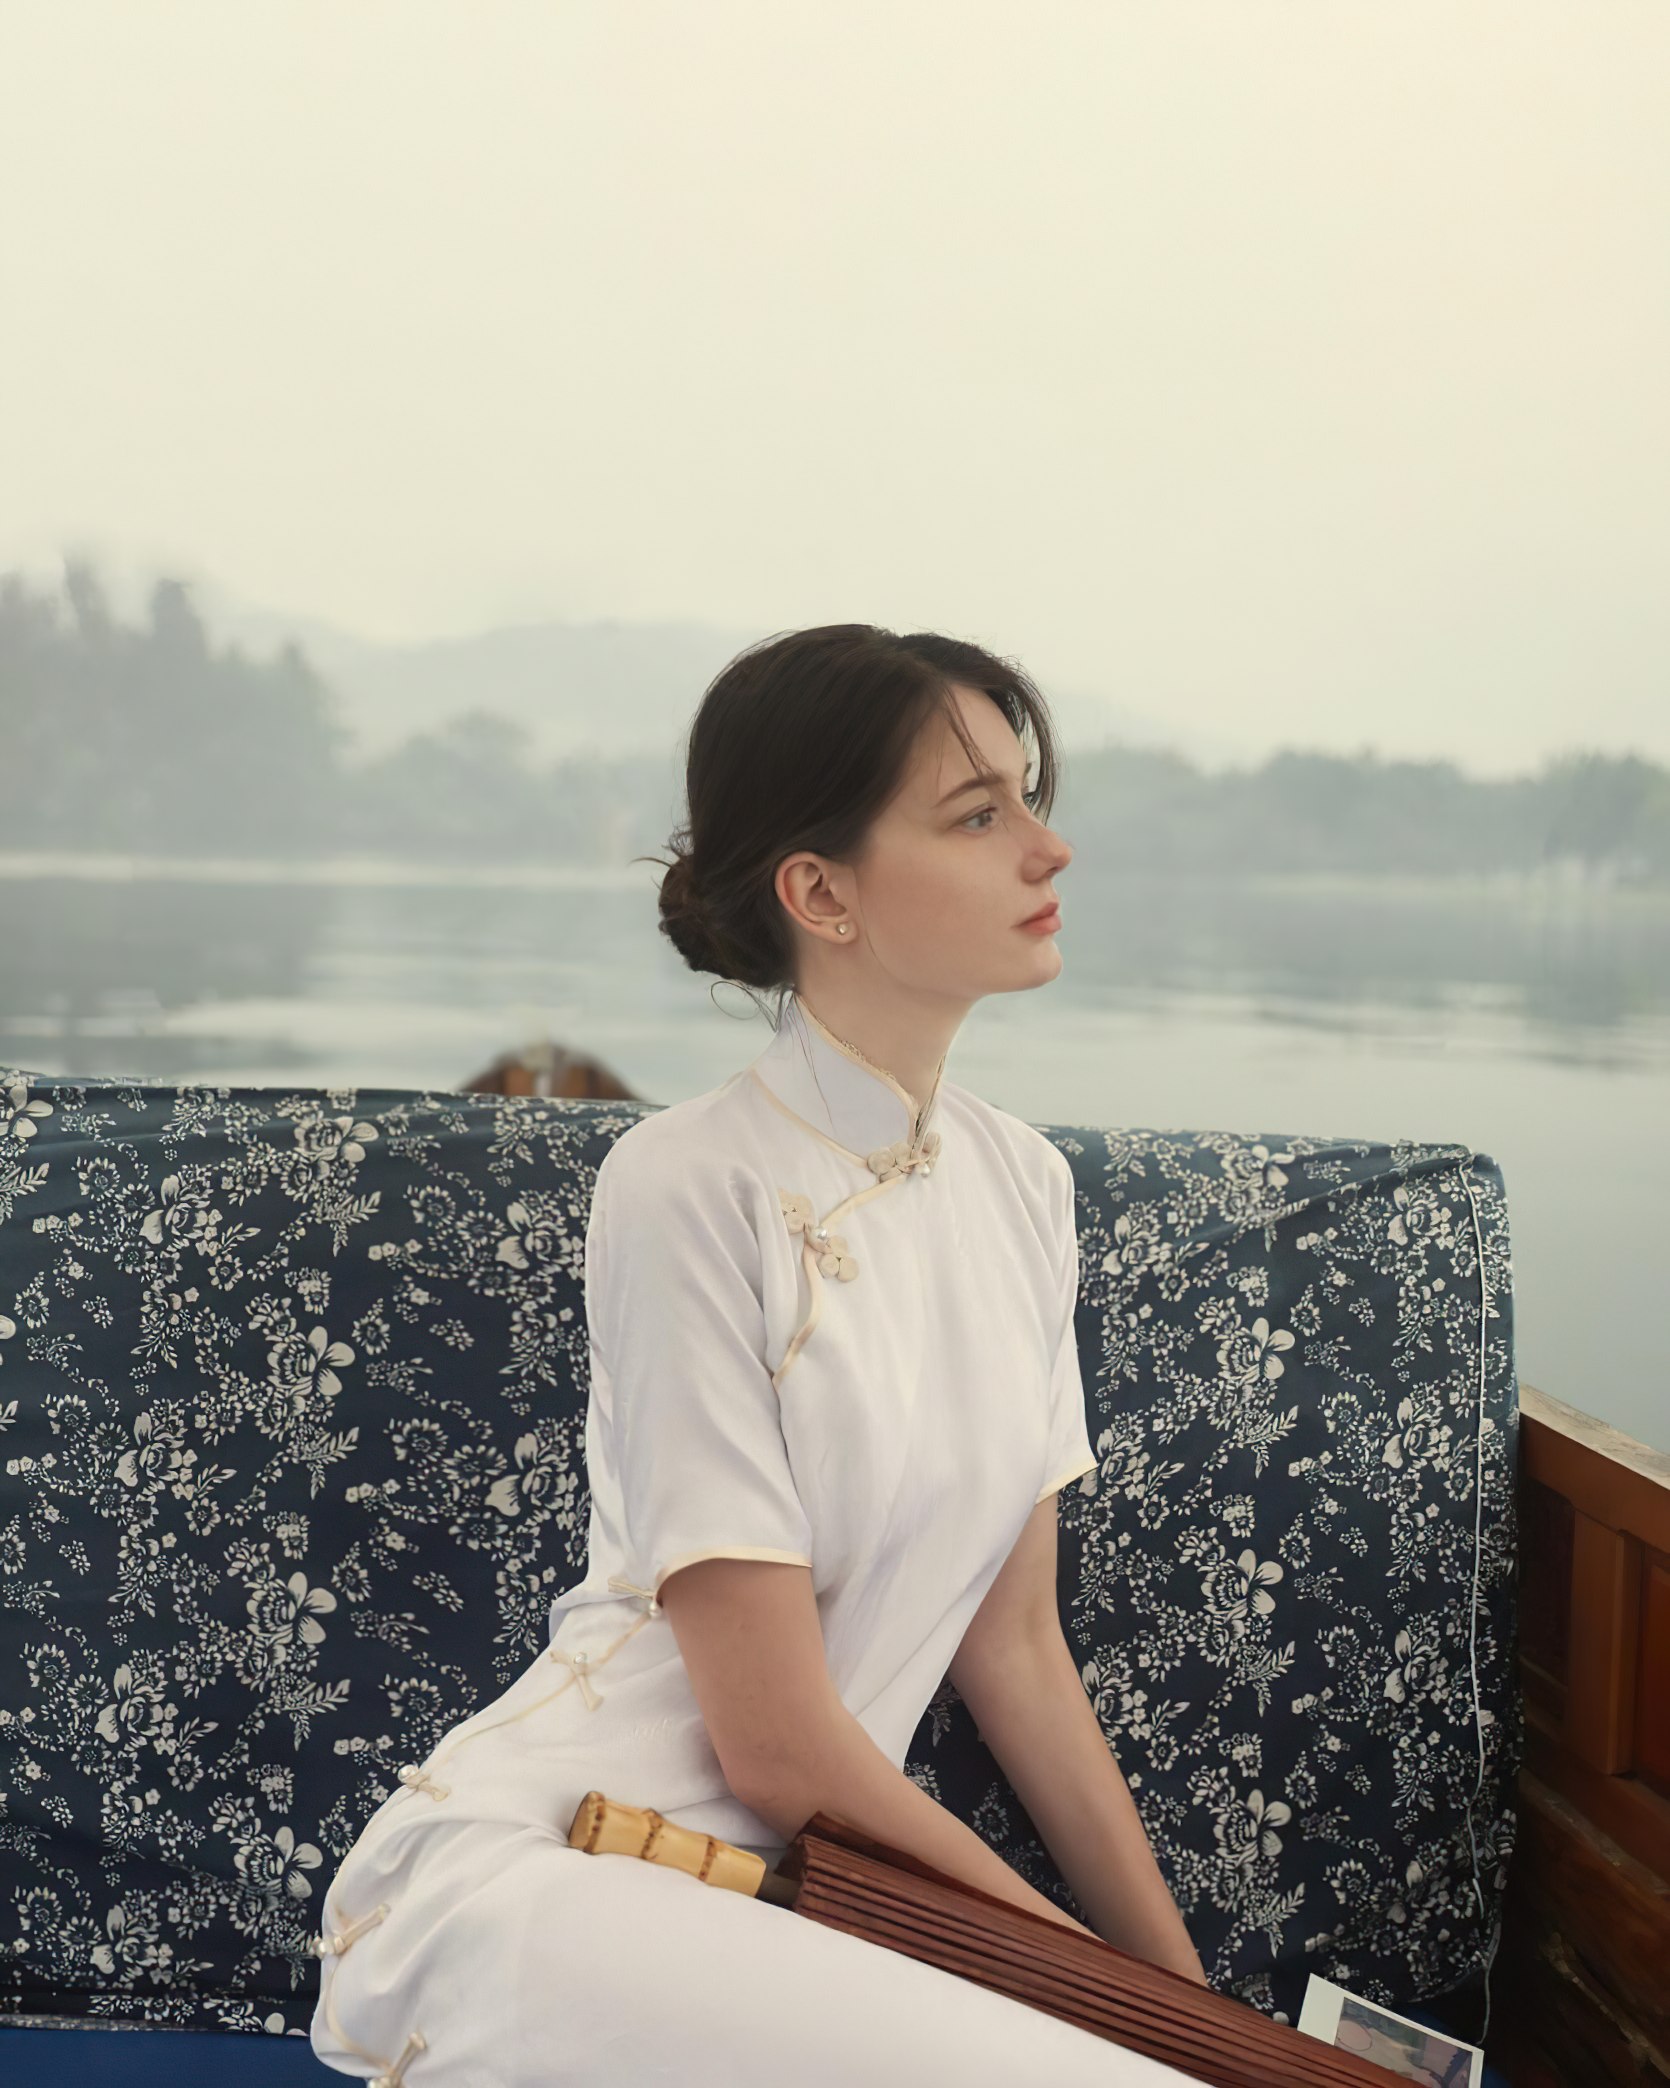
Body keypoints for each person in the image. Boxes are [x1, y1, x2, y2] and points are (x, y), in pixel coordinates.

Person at [309, 624, 1212, 2086]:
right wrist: (1105, 2000)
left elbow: (1017, 1653)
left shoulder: (1026, 1187)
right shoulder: (687, 1184)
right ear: (820, 892)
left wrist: (1198, 2014)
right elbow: (777, 1749)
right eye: (976, 816)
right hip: (569, 1866)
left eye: (1030, 799)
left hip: (800, 1910)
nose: (1048, 850)